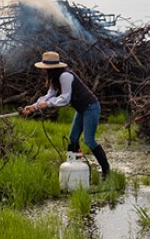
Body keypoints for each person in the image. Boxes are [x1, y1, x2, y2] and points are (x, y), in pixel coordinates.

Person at [22, 50, 110, 179]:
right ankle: (74, 167)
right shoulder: (54, 78)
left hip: (91, 107)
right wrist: (33, 107)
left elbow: (65, 98)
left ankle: (106, 171)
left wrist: (48, 104)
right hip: (81, 109)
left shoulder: (65, 76)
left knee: (89, 140)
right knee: (73, 138)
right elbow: (49, 95)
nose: (45, 71)